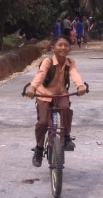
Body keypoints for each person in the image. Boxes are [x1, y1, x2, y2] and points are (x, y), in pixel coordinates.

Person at [25, 35, 87, 167]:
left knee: (65, 109)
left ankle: (67, 136)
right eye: (60, 45)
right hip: (44, 95)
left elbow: (75, 74)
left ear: (70, 48)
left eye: (66, 45)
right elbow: (40, 74)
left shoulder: (70, 63)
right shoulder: (47, 61)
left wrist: (80, 86)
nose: (63, 48)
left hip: (61, 94)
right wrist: (32, 87)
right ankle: (39, 148)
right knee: (43, 122)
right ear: (53, 47)